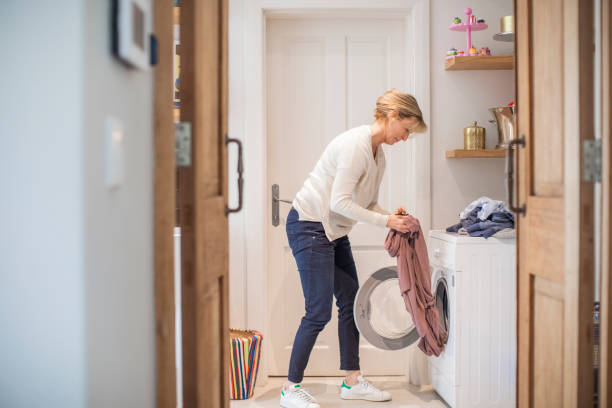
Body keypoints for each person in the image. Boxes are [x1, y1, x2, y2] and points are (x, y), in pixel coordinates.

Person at [280, 89, 427, 408]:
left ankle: (352, 382)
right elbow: (339, 202)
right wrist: (387, 221)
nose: (406, 138)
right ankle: (290, 389)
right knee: (318, 310)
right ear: (393, 116)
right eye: (406, 129)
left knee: (352, 300)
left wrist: (391, 215)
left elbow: (367, 202)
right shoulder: (355, 146)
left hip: (333, 229)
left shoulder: (379, 155)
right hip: (310, 224)